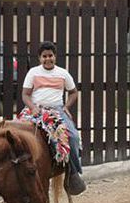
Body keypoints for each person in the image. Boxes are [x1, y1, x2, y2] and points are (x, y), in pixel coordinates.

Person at [21, 41, 86, 194]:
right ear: (39, 58)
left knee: (73, 137)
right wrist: (33, 107)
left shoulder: (62, 73)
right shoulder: (33, 73)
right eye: (44, 56)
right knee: (19, 137)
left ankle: (73, 173)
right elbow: (25, 94)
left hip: (57, 111)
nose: (47, 59)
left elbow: (74, 92)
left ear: (55, 56)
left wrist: (66, 107)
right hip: (36, 110)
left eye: (50, 55)